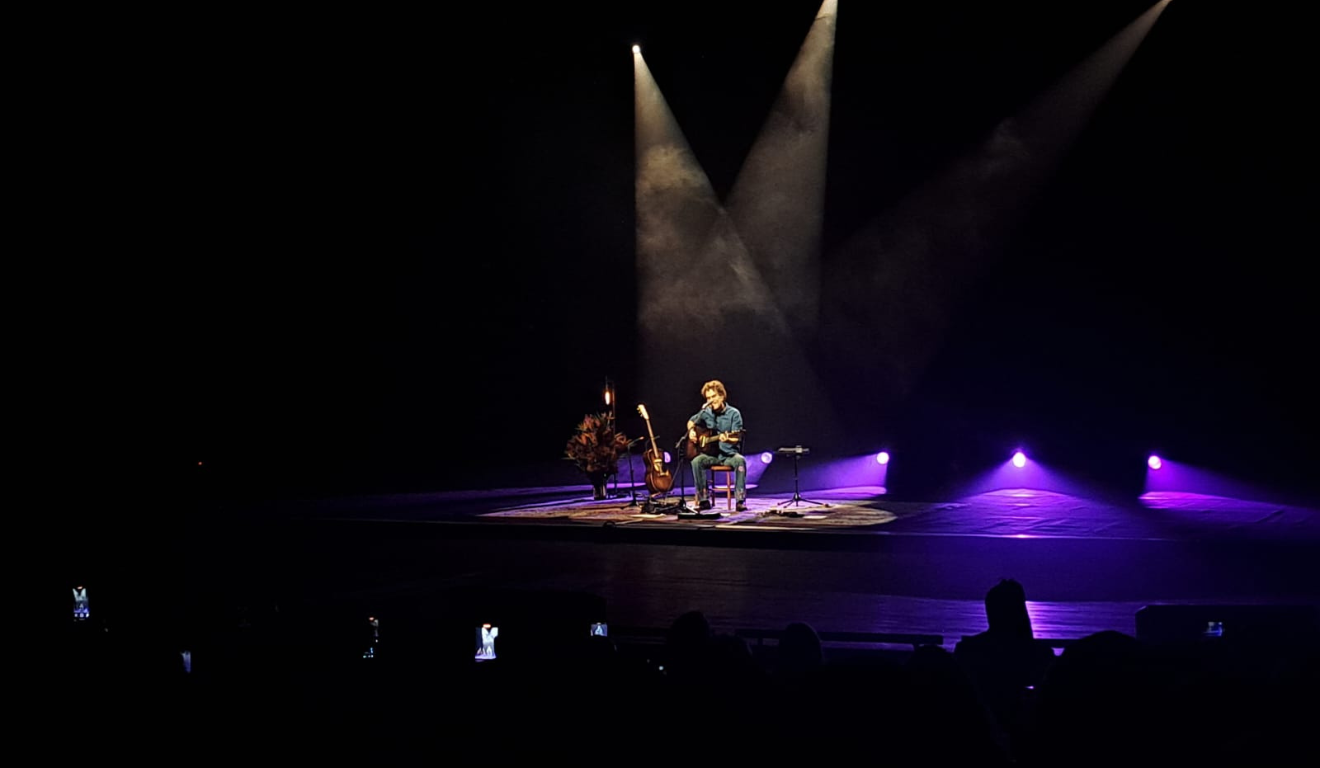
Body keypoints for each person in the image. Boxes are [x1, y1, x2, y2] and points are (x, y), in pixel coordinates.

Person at [686, 380, 747, 512]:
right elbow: (691, 421)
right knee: (696, 461)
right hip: (712, 455)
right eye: (708, 398)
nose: (711, 400)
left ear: (722, 396)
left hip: (729, 455)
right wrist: (691, 431)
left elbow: (737, 438)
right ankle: (703, 500)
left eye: (713, 396)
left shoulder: (734, 413)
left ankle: (740, 501)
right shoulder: (706, 412)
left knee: (740, 461)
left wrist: (728, 439)